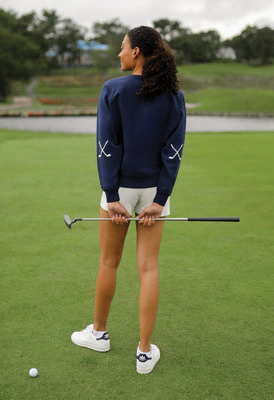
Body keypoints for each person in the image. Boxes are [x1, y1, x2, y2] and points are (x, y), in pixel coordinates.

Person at [71, 26, 186, 374]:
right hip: (153, 193)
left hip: (119, 191)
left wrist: (111, 196)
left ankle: (100, 334)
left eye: (122, 48)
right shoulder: (174, 96)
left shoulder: (113, 89)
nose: (118, 54)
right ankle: (144, 352)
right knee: (148, 268)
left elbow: (107, 147)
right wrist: (161, 198)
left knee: (108, 263)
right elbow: (174, 152)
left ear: (136, 52)